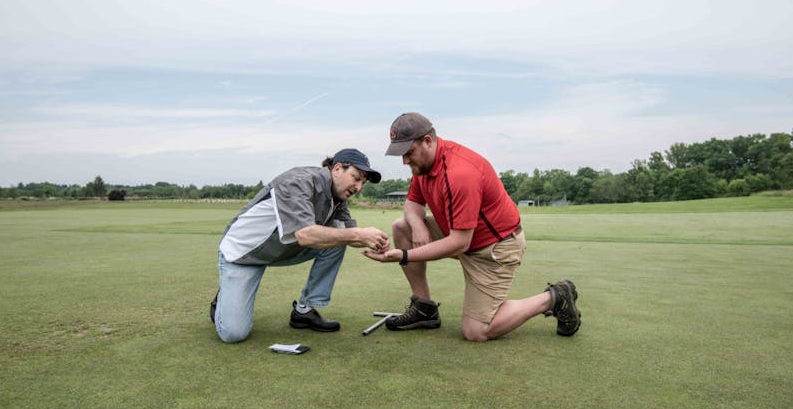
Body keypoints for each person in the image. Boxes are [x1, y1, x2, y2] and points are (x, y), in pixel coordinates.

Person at [364, 113, 581, 342]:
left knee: (476, 331)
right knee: (402, 226)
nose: (405, 161)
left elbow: (460, 242)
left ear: (428, 141)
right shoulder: (424, 166)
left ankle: (555, 297)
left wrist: (405, 255)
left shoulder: (460, 173)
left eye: (408, 153)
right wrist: (418, 226)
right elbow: (413, 202)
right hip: (463, 235)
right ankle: (424, 308)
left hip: (495, 248)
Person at [211, 148, 390, 343]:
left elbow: (348, 235)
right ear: (337, 169)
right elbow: (305, 235)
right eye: (356, 178)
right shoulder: (298, 181)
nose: (358, 187)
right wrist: (358, 234)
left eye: (363, 182)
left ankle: (304, 310)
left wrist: (375, 242)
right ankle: (224, 298)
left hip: (280, 249)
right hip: (242, 255)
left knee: (339, 237)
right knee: (233, 334)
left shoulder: (338, 197)